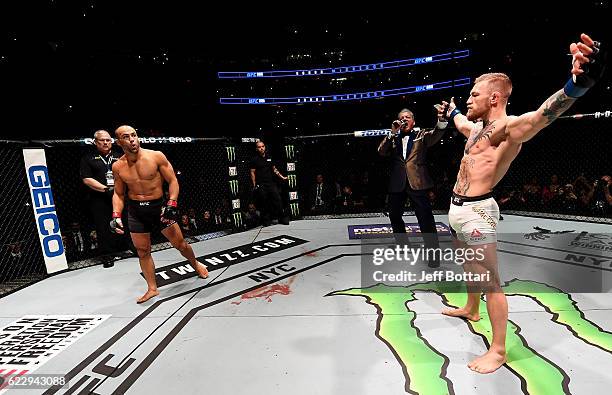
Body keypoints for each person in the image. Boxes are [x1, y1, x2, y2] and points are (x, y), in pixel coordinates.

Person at [436, 33, 604, 374]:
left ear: (495, 97)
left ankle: (497, 349)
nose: (469, 100)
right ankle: (471, 308)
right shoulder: (476, 130)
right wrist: (452, 110)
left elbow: (544, 114)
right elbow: (460, 122)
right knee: (469, 267)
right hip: (457, 209)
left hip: (478, 211)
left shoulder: (509, 130)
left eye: (474, 95)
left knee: (490, 280)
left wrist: (577, 85)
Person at [109, 125, 209, 303]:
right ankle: (152, 288)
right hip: (136, 211)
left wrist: (172, 202)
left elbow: (172, 181)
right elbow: (118, 193)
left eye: (134, 135)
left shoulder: (156, 156)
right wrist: (116, 215)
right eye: (126, 137)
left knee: (180, 244)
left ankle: (195, 264)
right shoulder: (118, 166)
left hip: (159, 208)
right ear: (118, 142)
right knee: (142, 251)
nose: (132, 139)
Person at [377, 108, 448, 267]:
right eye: (401, 117)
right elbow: (381, 151)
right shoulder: (394, 138)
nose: (404, 119)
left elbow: (435, 135)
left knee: (426, 220)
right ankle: (402, 245)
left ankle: (433, 256)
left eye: (407, 117)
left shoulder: (421, 135)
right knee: (394, 215)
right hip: (398, 183)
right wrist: (391, 133)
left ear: (413, 121)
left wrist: (441, 121)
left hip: (418, 182)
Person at [80, 130, 128, 267]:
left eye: (108, 140)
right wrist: (107, 189)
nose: (106, 142)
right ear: (95, 142)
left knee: (126, 221)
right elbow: (87, 179)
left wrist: (119, 190)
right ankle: (107, 255)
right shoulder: (88, 158)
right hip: (99, 197)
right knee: (102, 226)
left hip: (120, 195)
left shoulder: (120, 156)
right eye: (102, 140)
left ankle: (128, 247)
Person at [250, 140, 290, 226]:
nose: (261, 148)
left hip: (270, 183)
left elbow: (274, 169)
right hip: (261, 184)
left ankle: (281, 218)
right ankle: (266, 220)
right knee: (264, 202)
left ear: (264, 147)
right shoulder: (254, 160)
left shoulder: (269, 157)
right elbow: (252, 172)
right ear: (256, 149)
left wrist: (282, 177)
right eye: (259, 147)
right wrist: (254, 185)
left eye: (262, 146)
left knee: (277, 199)